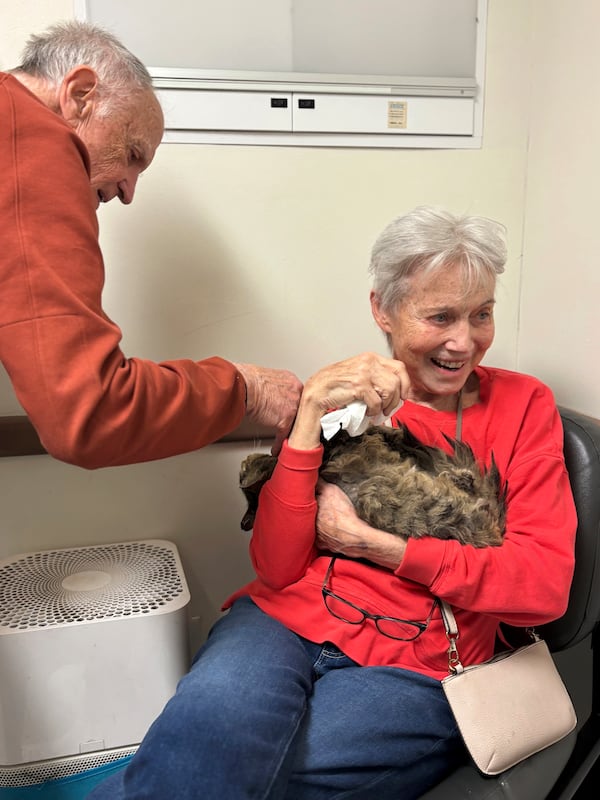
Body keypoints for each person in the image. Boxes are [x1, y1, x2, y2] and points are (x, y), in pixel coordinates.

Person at [88, 207, 577, 800]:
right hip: (281, 623)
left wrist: (378, 546)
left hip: (421, 664)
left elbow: (542, 590)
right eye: (440, 316)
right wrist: (309, 414)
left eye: (482, 315)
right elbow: (275, 566)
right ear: (383, 310)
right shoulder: (347, 399)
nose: (463, 341)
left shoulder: (523, 406)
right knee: (205, 743)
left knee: (227, 778)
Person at [0, 21, 302, 468]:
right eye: (132, 154)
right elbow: (90, 417)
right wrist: (245, 388)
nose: (127, 191)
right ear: (80, 94)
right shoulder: (29, 140)